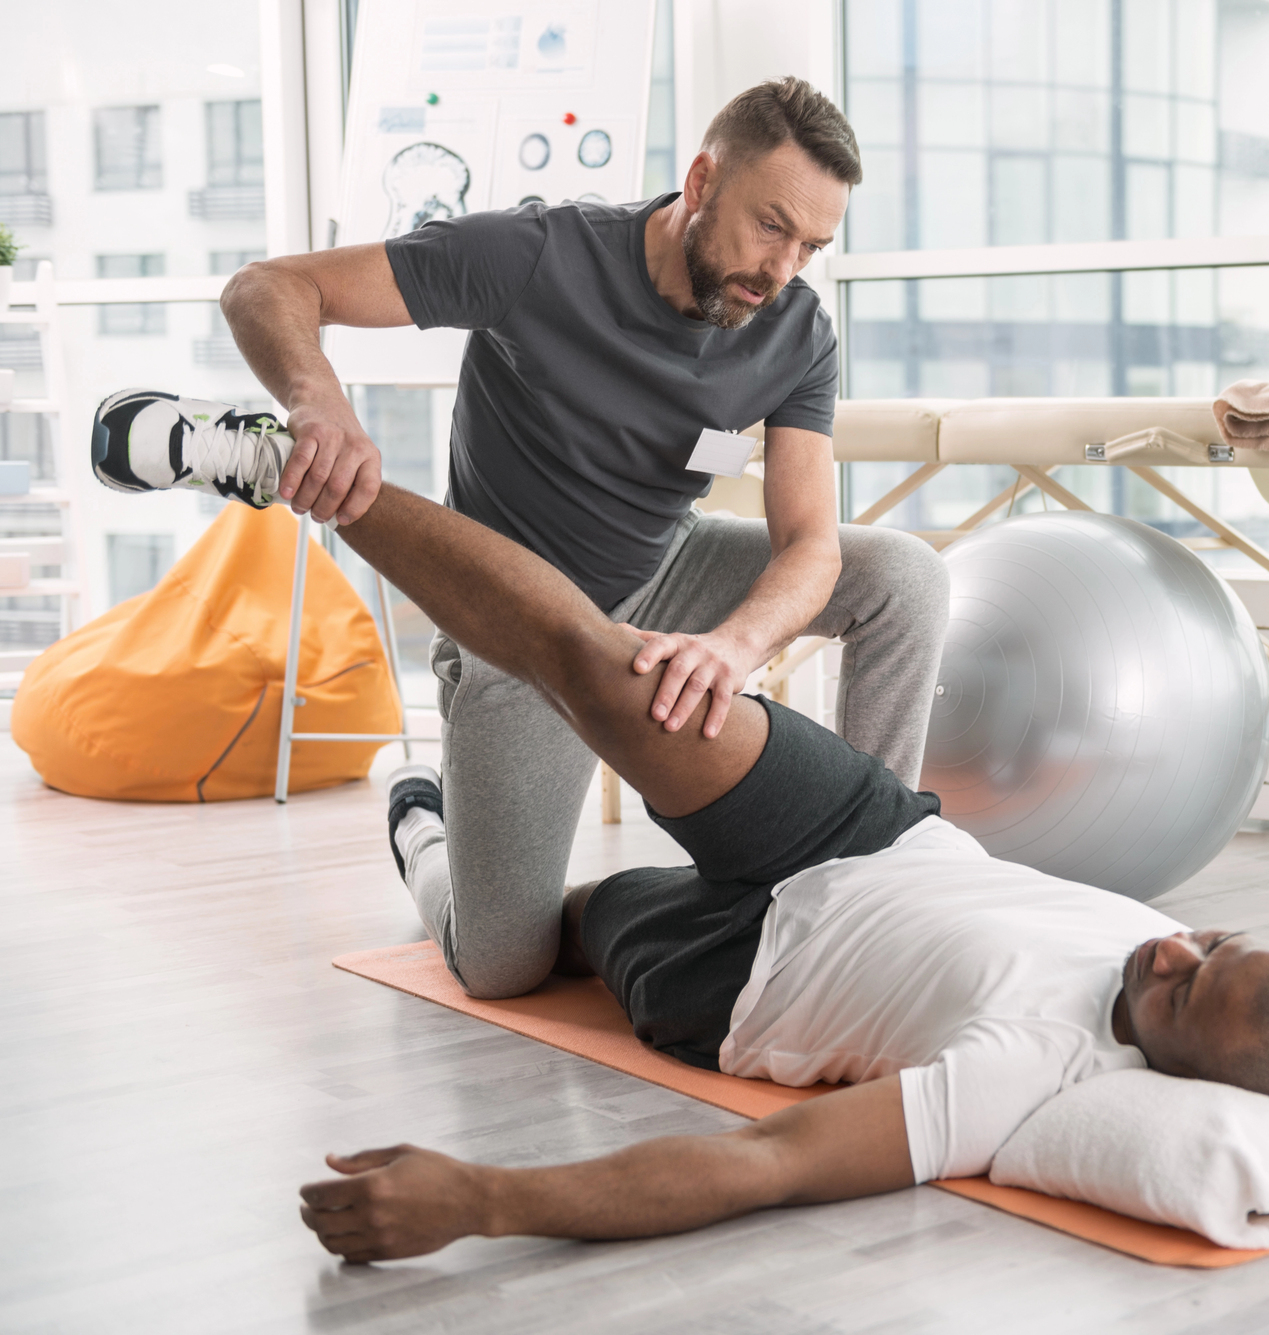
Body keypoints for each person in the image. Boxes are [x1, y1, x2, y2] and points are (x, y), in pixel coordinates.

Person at [88, 419, 1269, 1265]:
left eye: (1176, 988)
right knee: (600, 661)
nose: (1170, 942)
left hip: (738, 972)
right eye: (1211, 941)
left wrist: (480, 1198)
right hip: (868, 832)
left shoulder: (1025, 1074)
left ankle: (421, 822)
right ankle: (287, 462)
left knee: (518, 937)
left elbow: (757, 1163)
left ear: (1174, 1066)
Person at [141, 76, 952, 1001]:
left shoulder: (796, 330)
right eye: (772, 226)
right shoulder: (537, 254)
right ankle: (423, 824)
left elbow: (811, 543)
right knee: (501, 966)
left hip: (668, 570)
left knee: (907, 576)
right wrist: (318, 403)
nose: (783, 268)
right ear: (700, 180)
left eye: (812, 244)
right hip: (515, 627)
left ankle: (869, 873)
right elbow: (268, 286)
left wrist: (734, 645)